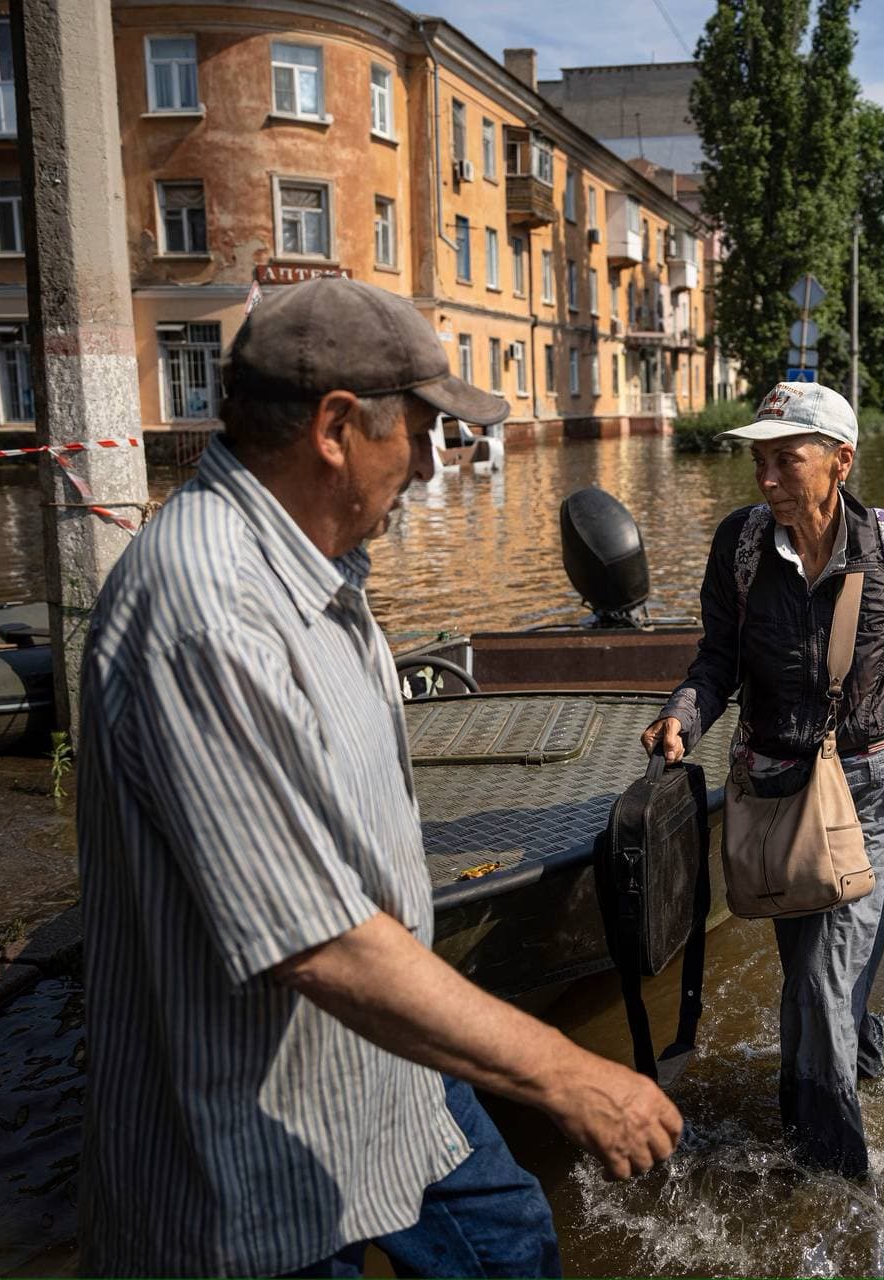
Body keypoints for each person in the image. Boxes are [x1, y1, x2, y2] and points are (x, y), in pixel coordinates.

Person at [76, 277, 680, 1279]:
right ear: (337, 428)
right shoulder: (207, 609)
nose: (433, 460)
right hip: (252, 1137)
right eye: (421, 430)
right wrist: (570, 1073)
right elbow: (320, 946)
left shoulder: (313, 566)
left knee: (507, 1243)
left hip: (386, 1060)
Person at [640, 382, 884, 1179]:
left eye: (784, 459)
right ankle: (868, 1054)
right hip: (773, 791)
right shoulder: (739, 545)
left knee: (825, 976)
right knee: (806, 971)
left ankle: (832, 1173)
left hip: (872, 784)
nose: (765, 478)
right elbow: (717, 660)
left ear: (840, 461)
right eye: (758, 459)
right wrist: (684, 716)